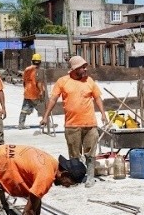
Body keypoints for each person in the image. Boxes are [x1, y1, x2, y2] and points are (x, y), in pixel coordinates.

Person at [40, 55, 108, 188]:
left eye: (85, 66)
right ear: (75, 68)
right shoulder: (62, 82)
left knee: (90, 151)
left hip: (90, 124)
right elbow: (53, 99)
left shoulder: (89, 81)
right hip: (72, 125)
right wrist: (45, 116)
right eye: (82, 67)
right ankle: (76, 177)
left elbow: (98, 98)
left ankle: (90, 177)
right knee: (74, 154)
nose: (85, 69)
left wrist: (103, 114)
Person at [19, 53, 45, 129]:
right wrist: (41, 91)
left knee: (24, 109)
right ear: (40, 62)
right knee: (42, 109)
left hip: (28, 92)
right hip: (36, 93)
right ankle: (45, 123)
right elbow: (39, 82)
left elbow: (24, 81)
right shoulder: (38, 71)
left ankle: (21, 124)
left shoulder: (27, 69)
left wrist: (26, 89)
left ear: (32, 61)